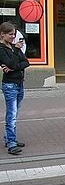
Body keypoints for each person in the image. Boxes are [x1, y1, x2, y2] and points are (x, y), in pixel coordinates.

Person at [0, 22, 29, 156]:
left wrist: (12, 67)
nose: (13, 37)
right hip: (10, 84)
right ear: (2, 34)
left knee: (15, 113)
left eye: (14, 34)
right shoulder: (2, 48)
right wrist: (16, 52)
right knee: (11, 114)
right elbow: (12, 62)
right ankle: (11, 142)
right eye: (11, 34)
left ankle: (9, 138)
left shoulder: (12, 47)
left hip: (19, 83)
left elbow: (25, 62)